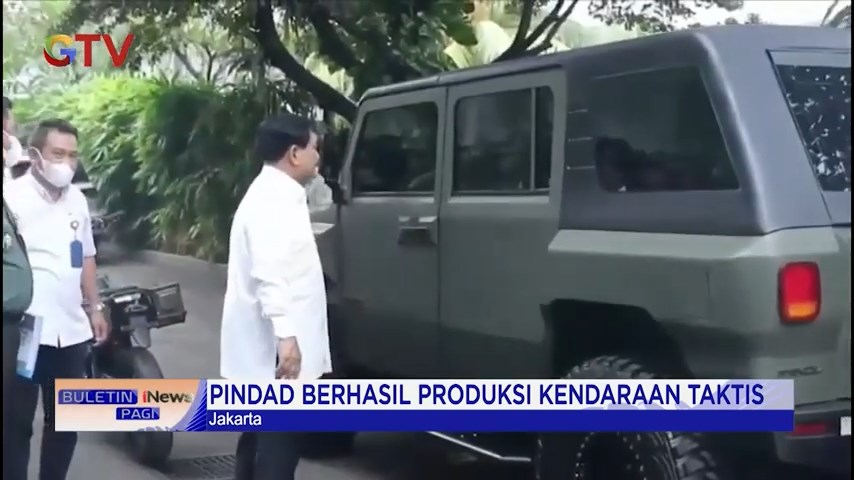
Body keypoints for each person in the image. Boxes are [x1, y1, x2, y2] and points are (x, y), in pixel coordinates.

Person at [220, 113, 332, 480]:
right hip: (276, 352)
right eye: (314, 147)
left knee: (258, 440)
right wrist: (286, 337)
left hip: (270, 350)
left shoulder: (277, 194)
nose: (318, 155)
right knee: (277, 450)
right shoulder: (273, 201)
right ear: (294, 154)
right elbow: (269, 272)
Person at [3, 118, 110, 480]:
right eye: (57, 154)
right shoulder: (11, 199)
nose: (66, 163)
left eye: (73, 156)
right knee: (16, 424)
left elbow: (86, 255)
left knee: (65, 421)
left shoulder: (77, 199)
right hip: (25, 329)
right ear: (35, 155)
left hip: (71, 329)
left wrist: (95, 306)